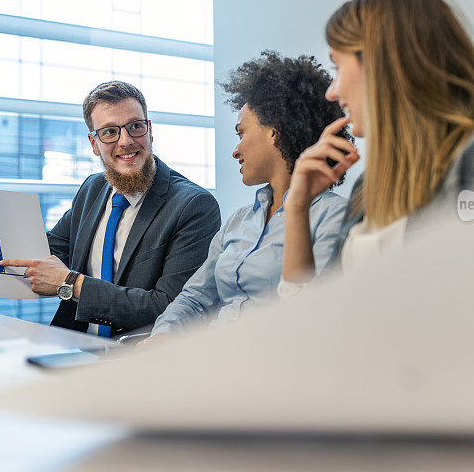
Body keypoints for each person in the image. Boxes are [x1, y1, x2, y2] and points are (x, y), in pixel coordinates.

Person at [279, 0, 474, 291]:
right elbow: (318, 320)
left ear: (382, 63)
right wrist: (297, 207)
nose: (331, 91)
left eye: (337, 67)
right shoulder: (368, 188)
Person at [0, 81, 221, 337]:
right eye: (109, 132)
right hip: (73, 344)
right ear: (94, 144)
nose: (126, 141)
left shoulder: (193, 206)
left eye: (135, 126)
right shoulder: (93, 188)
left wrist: (72, 284)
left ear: (149, 130)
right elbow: (46, 254)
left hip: (140, 357)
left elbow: (170, 308)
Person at [148, 52, 351, 339]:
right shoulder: (238, 221)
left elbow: (314, 310)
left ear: (275, 131)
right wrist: (163, 335)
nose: (236, 149)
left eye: (241, 133)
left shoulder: (333, 216)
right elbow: (193, 298)